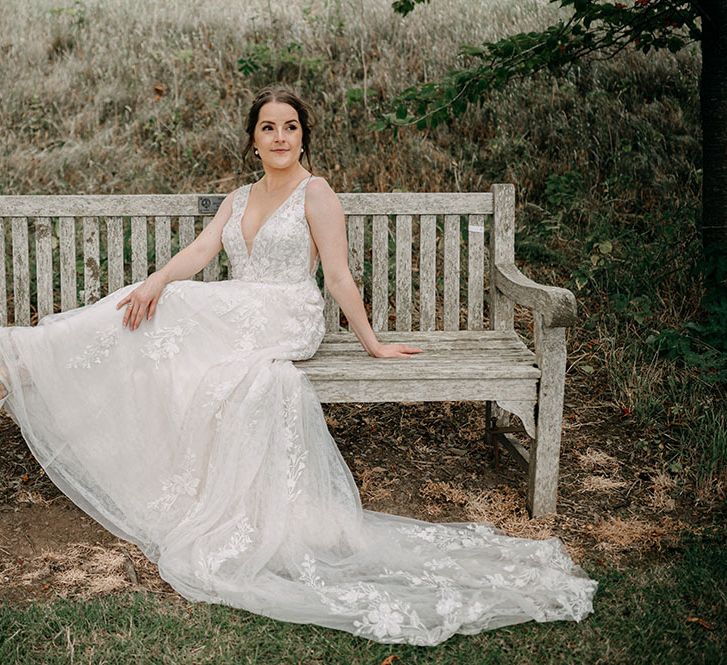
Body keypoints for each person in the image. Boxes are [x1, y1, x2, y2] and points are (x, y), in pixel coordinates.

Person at [0, 86, 597, 646]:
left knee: (174, 304)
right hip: (238, 311)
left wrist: (373, 344)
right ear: (253, 140)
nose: (280, 137)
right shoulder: (237, 198)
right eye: (268, 128)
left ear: (303, 138)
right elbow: (206, 251)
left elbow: (335, 274)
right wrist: (155, 278)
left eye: (290, 127)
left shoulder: (318, 193)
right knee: (166, 309)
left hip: (286, 312)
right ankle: (37, 358)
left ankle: (29, 357)